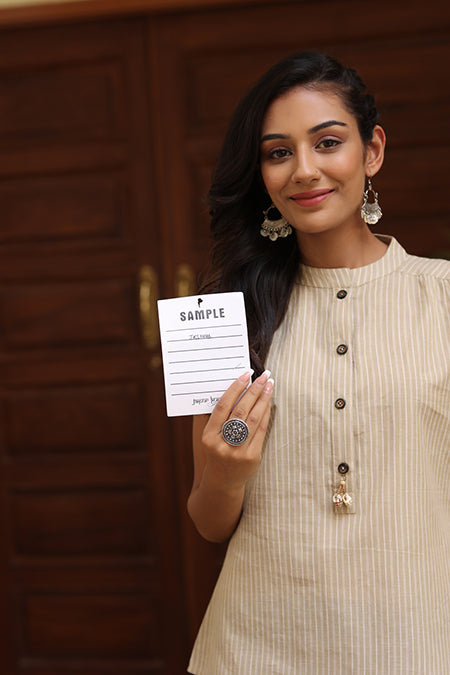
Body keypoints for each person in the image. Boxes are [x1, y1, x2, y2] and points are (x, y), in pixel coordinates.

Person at [186, 52, 449, 674]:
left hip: (414, 640)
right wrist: (224, 471)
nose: (304, 171)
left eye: (327, 142)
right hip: (256, 647)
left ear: (372, 150)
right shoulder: (227, 316)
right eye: (278, 153)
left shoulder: (443, 295)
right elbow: (206, 522)